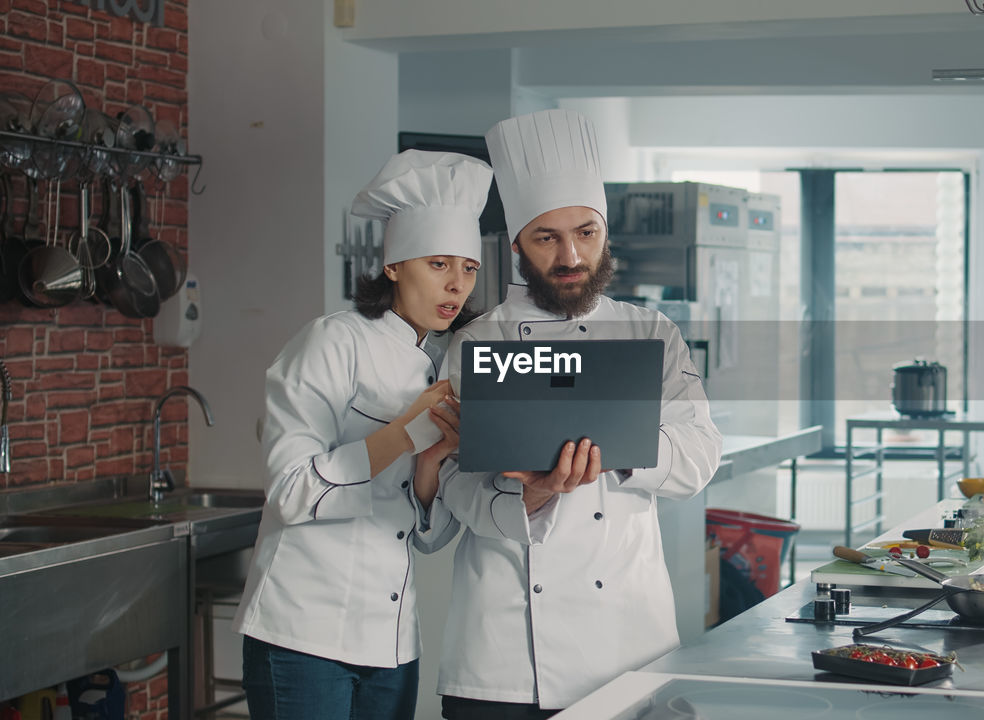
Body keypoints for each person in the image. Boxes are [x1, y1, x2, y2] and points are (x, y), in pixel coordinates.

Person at [434, 109, 723, 719]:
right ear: (516, 244)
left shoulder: (652, 332)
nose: (571, 255)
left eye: (586, 233)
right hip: (506, 662)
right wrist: (532, 496)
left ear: (605, 233)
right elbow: (453, 488)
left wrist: (616, 448)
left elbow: (699, 458)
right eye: (547, 238)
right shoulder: (473, 345)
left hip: (629, 645)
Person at [233, 150, 492, 720]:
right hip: (304, 633)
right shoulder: (330, 343)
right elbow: (292, 490)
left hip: (392, 642)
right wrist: (403, 433)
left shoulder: (443, 362)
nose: (456, 284)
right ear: (395, 266)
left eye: (468, 269)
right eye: (439, 264)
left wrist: (429, 470)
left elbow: (424, 538)